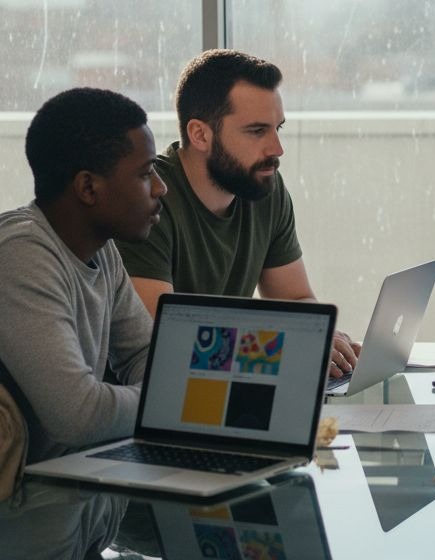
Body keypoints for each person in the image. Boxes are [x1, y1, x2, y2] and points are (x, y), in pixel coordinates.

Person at [0, 88, 162, 463]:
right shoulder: (19, 256)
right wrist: (168, 406)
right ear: (88, 187)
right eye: (145, 173)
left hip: (64, 477)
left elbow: (145, 354)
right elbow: (79, 416)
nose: (160, 187)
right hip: (0, 503)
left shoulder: (99, 248)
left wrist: (167, 397)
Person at [115, 50, 360, 377]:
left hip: (229, 380)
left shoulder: (263, 187)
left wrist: (318, 335)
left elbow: (297, 298)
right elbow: (165, 338)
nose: (277, 149)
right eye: (257, 131)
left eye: (278, 129)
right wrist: (287, 344)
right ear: (200, 134)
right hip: (150, 397)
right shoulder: (148, 199)